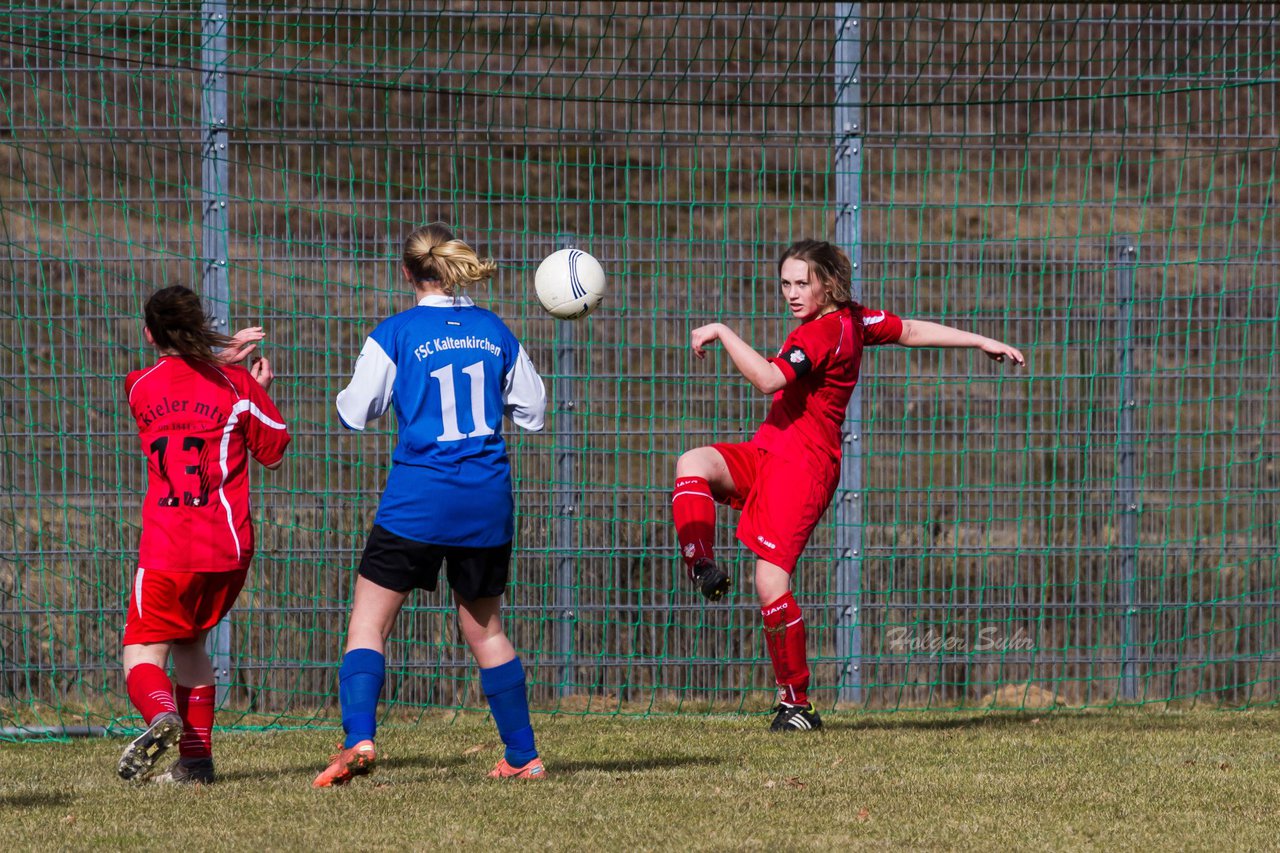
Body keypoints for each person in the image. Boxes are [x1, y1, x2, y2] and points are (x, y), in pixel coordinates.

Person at [671, 239, 1025, 732]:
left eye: (802, 283)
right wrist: (979, 340)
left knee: (769, 581)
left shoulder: (821, 335)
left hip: (803, 467)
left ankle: (797, 705)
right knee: (694, 462)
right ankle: (702, 565)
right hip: (770, 451)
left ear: (828, 283)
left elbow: (770, 380)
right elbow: (911, 330)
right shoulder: (854, 320)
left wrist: (722, 331)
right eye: (786, 284)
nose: (792, 293)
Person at [314, 223, 548, 787]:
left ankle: (359, 739)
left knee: (368, 625)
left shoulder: (395, 333)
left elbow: (355, 410)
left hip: (417, 500)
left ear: (407, 273)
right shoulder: (494, 330)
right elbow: (534, 412)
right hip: (485, 500)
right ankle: (523, 755)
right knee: (485, 628)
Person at [118, 286, 291, 783]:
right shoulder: (237, 386)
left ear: (149, 333)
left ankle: (159, 716)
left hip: (168, 547)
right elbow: (274, 450)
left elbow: (179, 382)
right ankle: (195, 763)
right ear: (199, 325)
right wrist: (250, 381)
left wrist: (217, 357)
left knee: (142, 652)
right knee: (191, 643)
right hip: (227, 549)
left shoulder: (138, 386)